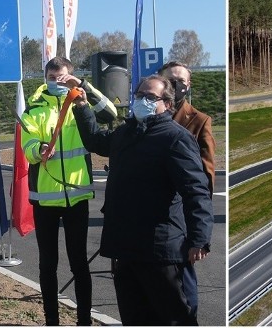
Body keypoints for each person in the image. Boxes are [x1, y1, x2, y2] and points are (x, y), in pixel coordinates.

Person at [74, 75, 213, 326]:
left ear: (167, 104)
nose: (142, 101)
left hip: (160, 250)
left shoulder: (175, 138)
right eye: (139, 95)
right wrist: (83, 107)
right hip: (126, 248)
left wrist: (199, 238)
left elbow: (196, 191)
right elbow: (96, 141)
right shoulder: (126, 133)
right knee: (134, 318)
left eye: (150, 97)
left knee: (174, 319)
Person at [20, 56, 114, 326]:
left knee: (79, 262)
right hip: (45, 200)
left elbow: (110, 113)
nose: (56, 83)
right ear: (45, 78)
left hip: (77, 197)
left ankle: (84, 321)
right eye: (52, 78)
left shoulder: (81, 103)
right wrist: (39, 151)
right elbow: (28, 146)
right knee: (47, 265)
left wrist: (83, 87)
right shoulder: (33, 110)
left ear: (71, 77)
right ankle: (52, 321)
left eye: (62, 78)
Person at [158, 61, 216, 318]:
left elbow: (206, 176)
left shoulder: (199, 120)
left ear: (188, 86)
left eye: (181, 81)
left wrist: (200, 231)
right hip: (150, 211)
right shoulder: (146, 116)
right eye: (171, 80)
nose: (176, 85)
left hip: (180, 213)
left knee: (183, 280)